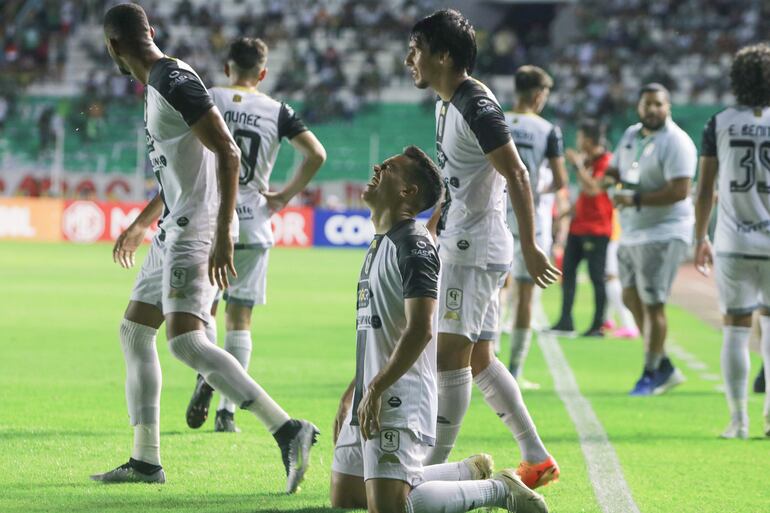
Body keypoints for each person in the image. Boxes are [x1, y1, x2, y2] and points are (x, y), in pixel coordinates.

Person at [90, 4, 318, 493]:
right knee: (134, 331)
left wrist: (221, 230)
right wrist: (139, 224)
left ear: (112, 46)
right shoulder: (160, 84)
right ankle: (146, 459)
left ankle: (288, 429)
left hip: (196, 228)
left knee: (187, 342)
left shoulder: (173, 79)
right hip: (174, 224)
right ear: (148, 32)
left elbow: (229, 152)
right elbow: (181, 171)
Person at [329, 146, 548, 513]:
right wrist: (355, 388)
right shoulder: (382, 241)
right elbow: (379, 329)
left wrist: (377, 387)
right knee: (347, 497)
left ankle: (500, 489)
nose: (377, 166)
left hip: (398, 395)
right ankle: (464, 471)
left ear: (407, 192)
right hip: (372, 387)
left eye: (390, 167)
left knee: (392, 508)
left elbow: (421, 330)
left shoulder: (413, 246)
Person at [404, 9, 561, 488]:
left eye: (418, 50)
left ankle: (427, 470)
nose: (410, 58)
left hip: (474, 248)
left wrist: (533, 245)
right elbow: (460, 174)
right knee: (479, 359)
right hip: (466, 239)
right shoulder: (446, 101)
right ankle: (535, 456)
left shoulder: (476, 104)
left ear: (444, 56)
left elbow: (515, 172)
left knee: (448, 357)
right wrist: (436, 216)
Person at [185, 37, 326, 433]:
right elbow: (316, 154)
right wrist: (284, 196)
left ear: (228, 68)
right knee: (241, 318)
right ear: (262, 73)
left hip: (211, 219)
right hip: (254, 220)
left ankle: (207, 375)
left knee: (203, 313)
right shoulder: (277, 110)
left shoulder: (209, 96)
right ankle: (227, 413)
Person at [694, 43, 770, 438]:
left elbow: (704, 188)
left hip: (733, 241)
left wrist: (699, 237)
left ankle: (738, 420)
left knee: (736, 328)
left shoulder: (719, 122)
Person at [605, 83, 696, 396]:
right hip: (631, 231)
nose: (653, 109)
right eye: (648, 104)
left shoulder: (677, 142)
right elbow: (615, 169)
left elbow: (680, 190)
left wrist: (634, 199)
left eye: (659, 104)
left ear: (668, 106)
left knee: (654, 302)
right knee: (631, 298)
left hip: (664, 231)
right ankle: (664, 365)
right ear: (639, 107)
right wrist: (609, 182)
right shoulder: (632, 134)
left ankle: (651, 371)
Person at [504, 65, 567, 377]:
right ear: (539, 95)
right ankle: (514, 370)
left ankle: (481, 362)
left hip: (495, 216)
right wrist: (537, 190)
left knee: (493, 290)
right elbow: (559, 179)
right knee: (526, 298)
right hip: (531, 220)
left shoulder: (496, 120)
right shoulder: (548, 130)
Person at [548, 119, 614, 337]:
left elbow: (594, 189)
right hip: (578, 227)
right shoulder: (589, 162)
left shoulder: (607, 162)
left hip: (597, 229)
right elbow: (585, 197)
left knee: (597, 277)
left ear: (589, 139)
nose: (577, 141)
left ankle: (598, 325)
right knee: (567, 272)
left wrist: (577, 165)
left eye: (580, 137)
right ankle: (565, 320)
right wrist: (565, 215)